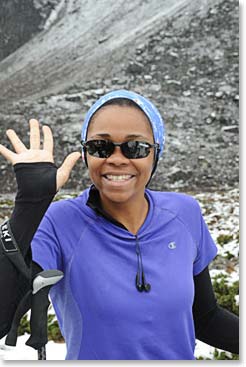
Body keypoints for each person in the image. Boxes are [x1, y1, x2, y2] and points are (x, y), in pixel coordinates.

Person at [0, 90, 239, 360]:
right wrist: (30, 205)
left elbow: (205, 318)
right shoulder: (58, 222)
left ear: (155, 153)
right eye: (100, 147)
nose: (116, 158)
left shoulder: (185, 214)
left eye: (135, 147)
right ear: (85, 153)